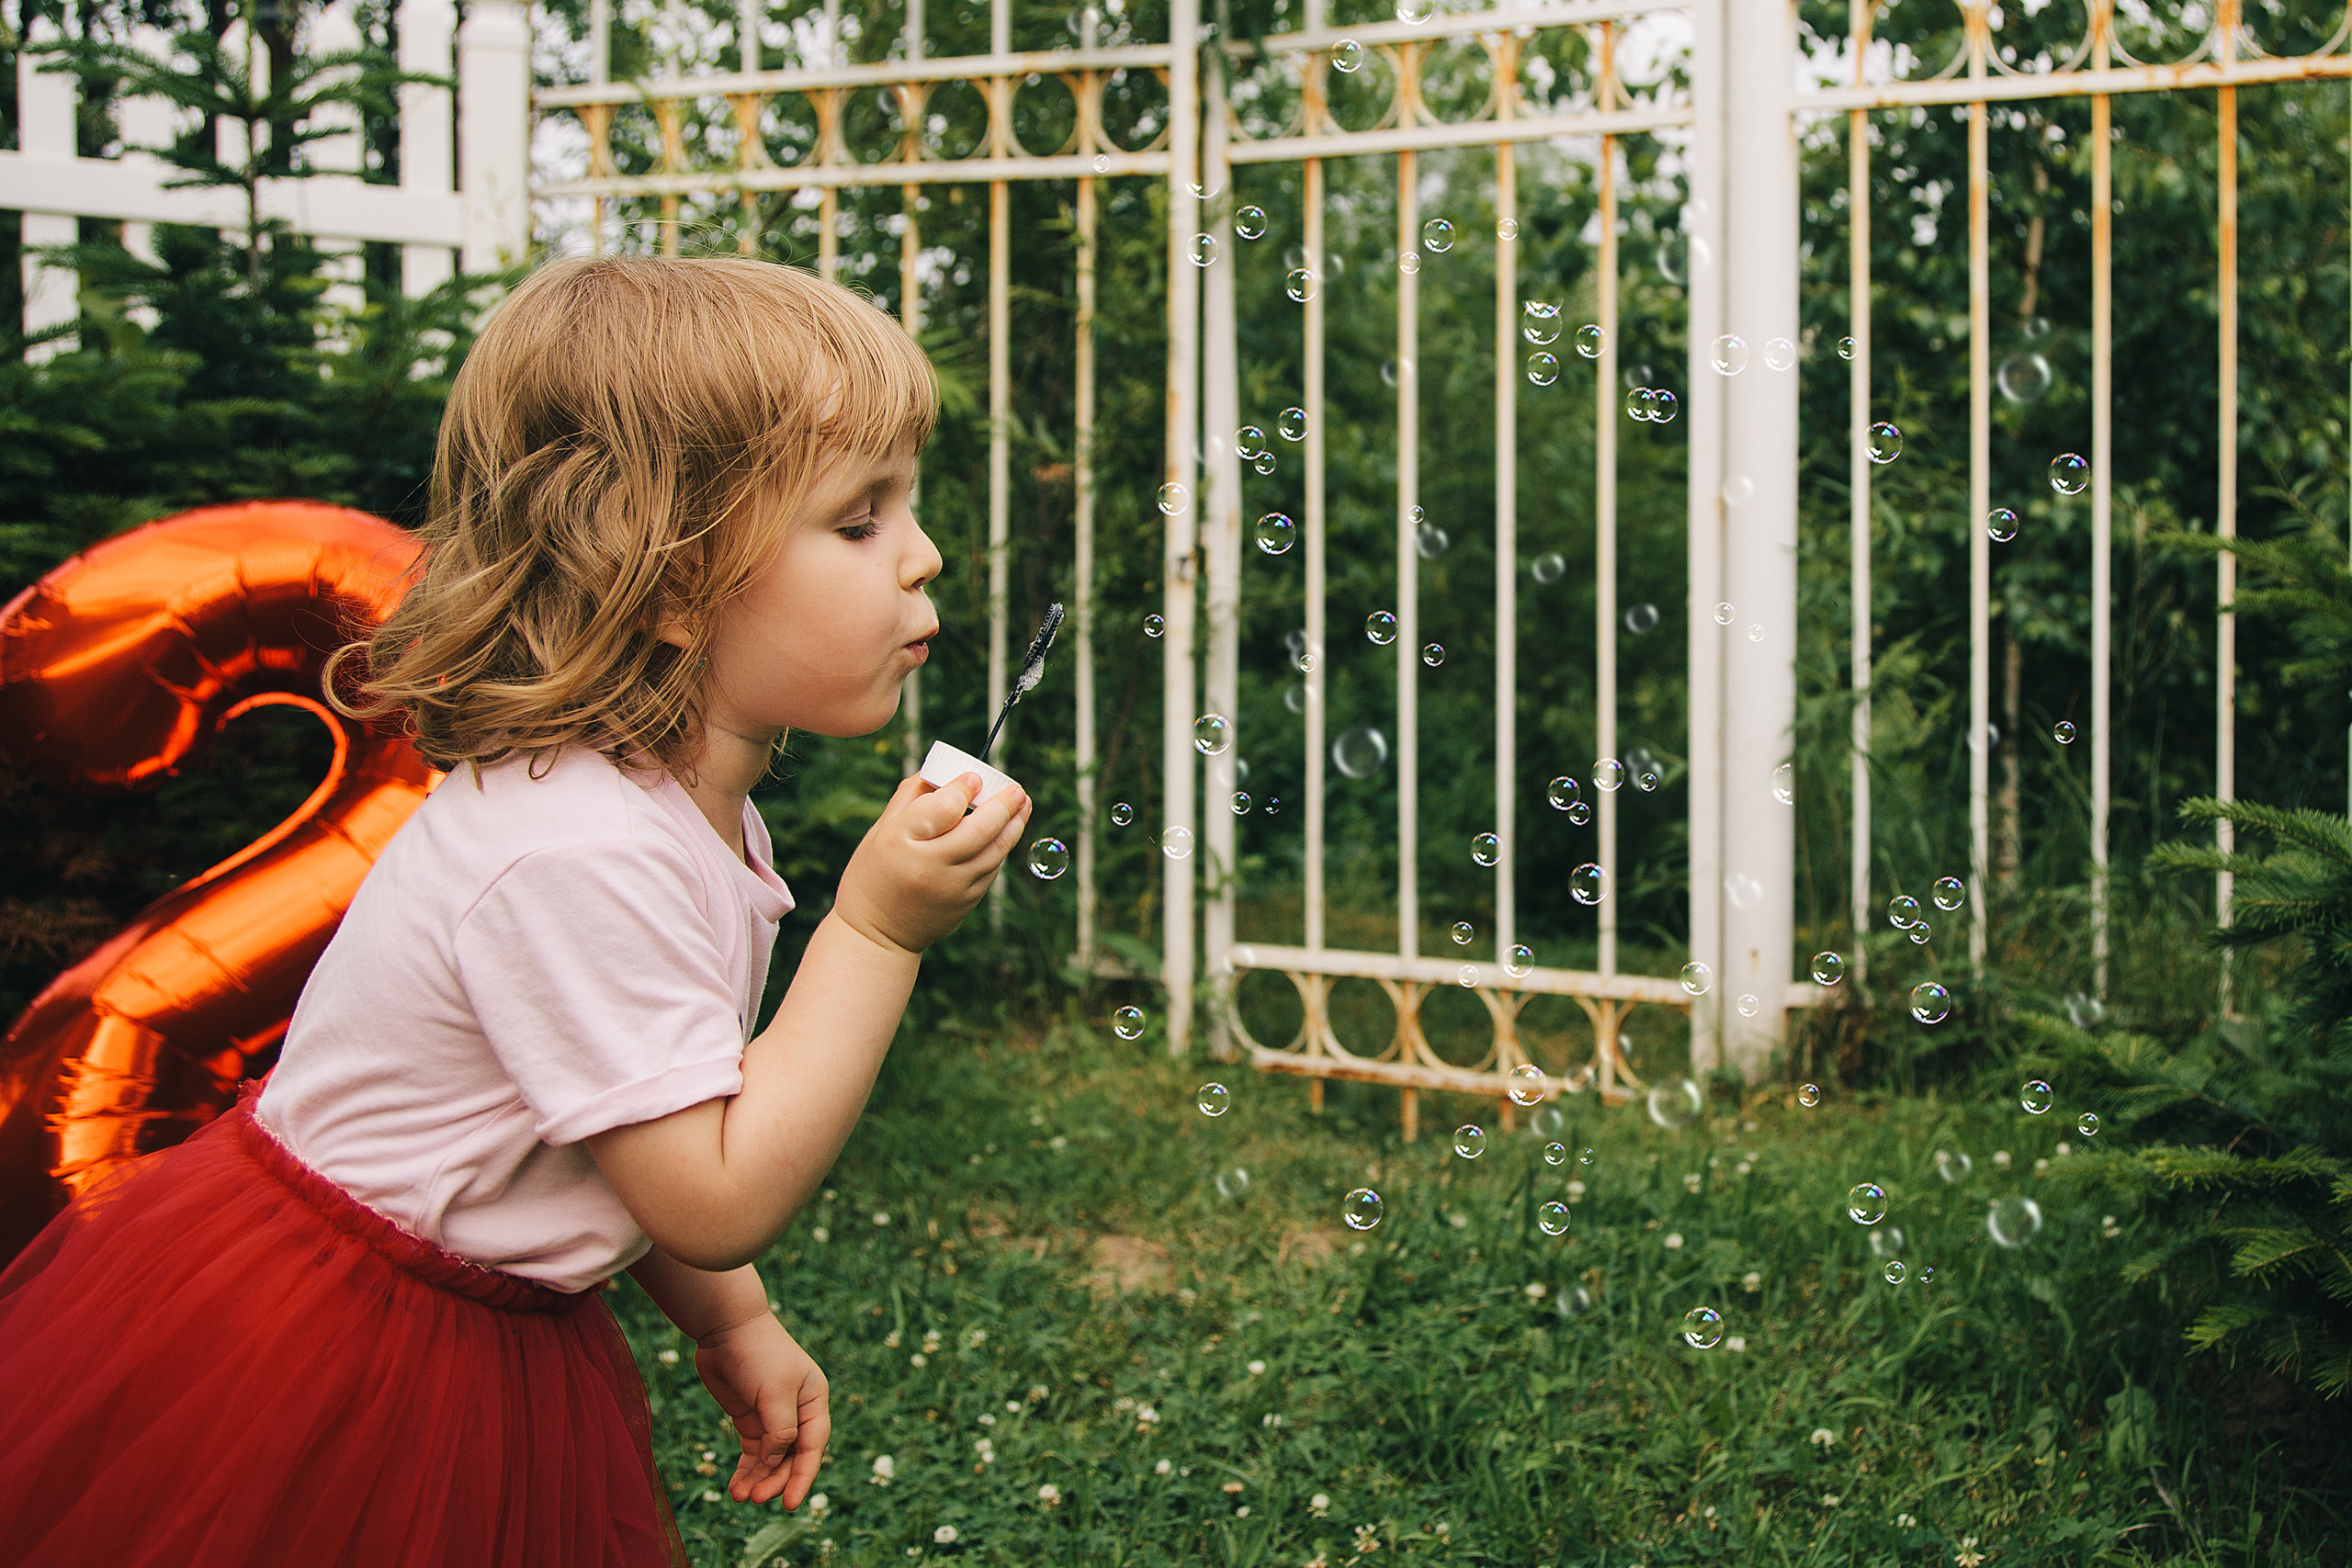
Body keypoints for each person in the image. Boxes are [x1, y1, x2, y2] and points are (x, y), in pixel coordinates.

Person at [0, 256, 1029, 1566]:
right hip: (333, 1350)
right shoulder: (573, 847)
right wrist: (875, 933)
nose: (924, 551)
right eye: (858, 519)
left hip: (474, 1320)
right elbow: (711, 1189)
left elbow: (629, 1110)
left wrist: (731, 1322)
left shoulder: (669, 806)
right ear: (663, 582)